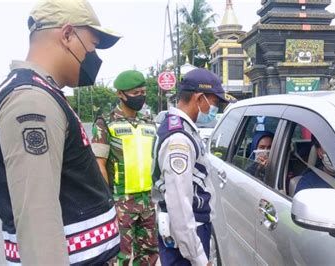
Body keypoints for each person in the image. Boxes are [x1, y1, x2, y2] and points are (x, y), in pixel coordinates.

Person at [0, 0, 121, 264]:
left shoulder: (43, 94)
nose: (93, 56)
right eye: (91, 45)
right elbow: (38, 223)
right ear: (68, 35)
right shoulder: (32, 102)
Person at [152, 68, 235, 265]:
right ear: (199, 99)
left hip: (187, 234)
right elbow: (179, 206)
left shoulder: (178, 126)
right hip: (188, 237)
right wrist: (198, 256)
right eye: (214, 103)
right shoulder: (178, 140)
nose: (214, 110)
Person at [92, 70, 159, 265]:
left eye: (143, 92)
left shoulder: (148, 123)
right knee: (118, 256)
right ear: (120, 94)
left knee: (149, 253)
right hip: (121, 201)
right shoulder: (105, 123)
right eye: (135, 93)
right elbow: (99, 165)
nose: (141, 97)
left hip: (148, 200)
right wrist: (108, 200)